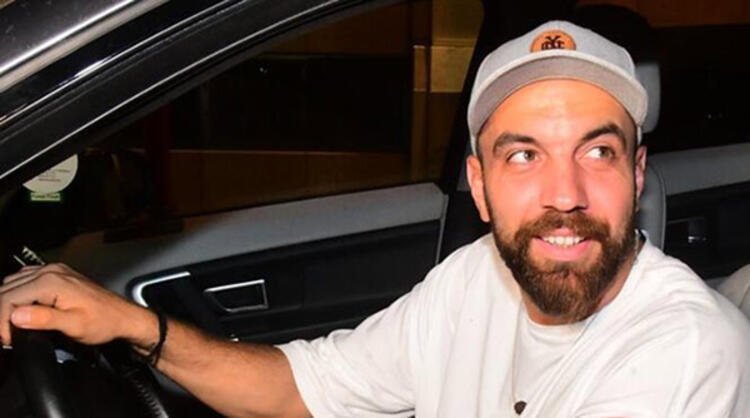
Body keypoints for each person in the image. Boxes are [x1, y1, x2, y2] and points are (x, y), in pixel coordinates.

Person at [1, 20, 749, 417]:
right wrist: (138, 328)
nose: (565, 194)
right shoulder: (474, 280)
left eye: (598, 151)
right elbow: (301, 388)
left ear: (637, 174)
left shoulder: (687, 352)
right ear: (478, 185)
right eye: (524, 155)